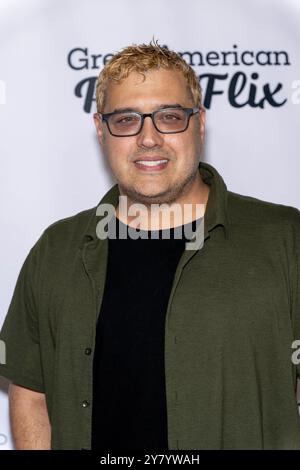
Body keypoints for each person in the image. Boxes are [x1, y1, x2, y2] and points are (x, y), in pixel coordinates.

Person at [0, 40, 300, 451]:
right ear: (100, 130)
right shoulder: (57, 249)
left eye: (169, 117)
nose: (148, 138)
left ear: (200, 123)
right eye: (126, 120)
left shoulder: (286, 239)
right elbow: (32, 393)